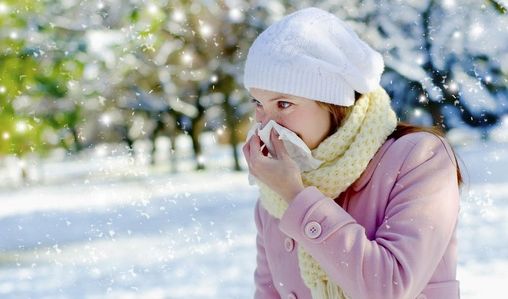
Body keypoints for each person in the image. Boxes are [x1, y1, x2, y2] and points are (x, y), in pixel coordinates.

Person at [241, 7, 462, 299]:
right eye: (258, 103)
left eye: (284, 104)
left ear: (334, 103)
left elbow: (389, 287)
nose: (266, 124)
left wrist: (297, 197)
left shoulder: (419, 159)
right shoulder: (273, 196)